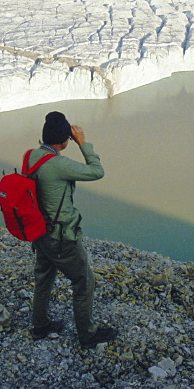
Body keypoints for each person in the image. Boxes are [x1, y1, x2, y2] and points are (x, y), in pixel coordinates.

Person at [28, 110, 117, 349]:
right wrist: (84, 144)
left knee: (43, 279)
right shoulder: (58, 164)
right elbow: (97, 171)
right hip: (61, 236)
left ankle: (40, 325)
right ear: (65, 140)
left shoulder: (32, 156)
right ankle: (87, 335)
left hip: (39, 233)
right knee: (84, 282)